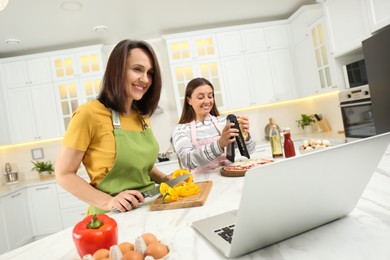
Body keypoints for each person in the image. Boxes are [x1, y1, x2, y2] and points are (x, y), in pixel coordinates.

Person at [55, 40, 171, 214]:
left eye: (150, 73)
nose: (145, 79)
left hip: (148, 208)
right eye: (137, 69)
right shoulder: (89, 114)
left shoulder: (142, 116)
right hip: (112, 216)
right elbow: (64, 174)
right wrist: (109, 202)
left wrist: (166, 179)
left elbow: (140, 167)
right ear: (117, 71)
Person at [172, 77, 256, 174]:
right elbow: (187, 161)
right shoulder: (181, 129)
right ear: (189, 100)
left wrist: (244, 135)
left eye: (210, 96)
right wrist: (220, 144)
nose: (207, 101)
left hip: (229, 177)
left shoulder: (224, 122)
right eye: (200, 97)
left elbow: (251, 150)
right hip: (203, 183)